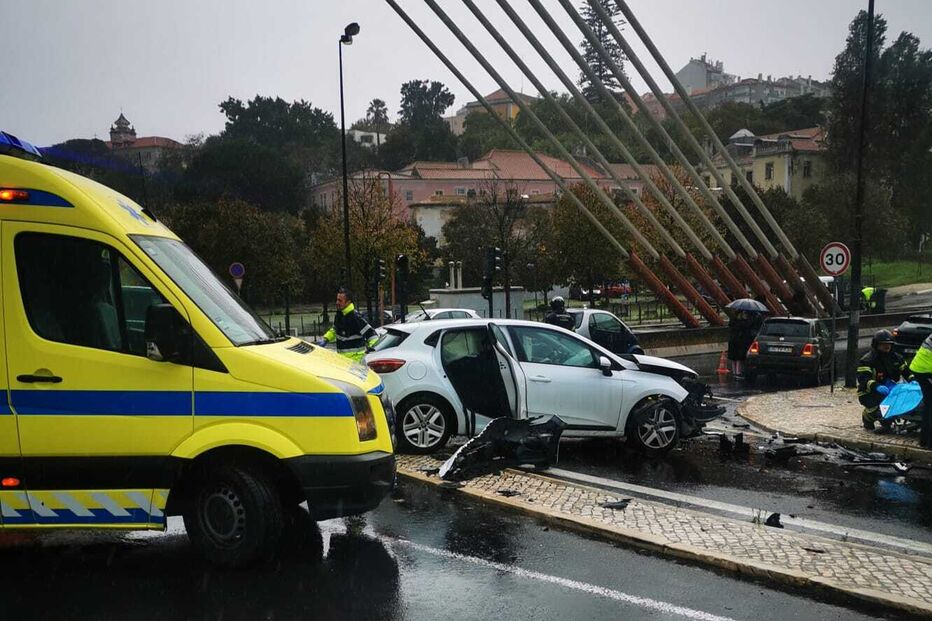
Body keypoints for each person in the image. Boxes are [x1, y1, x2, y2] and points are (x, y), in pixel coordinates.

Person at [857, 329, 913, 430]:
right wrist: (877, 386)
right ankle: (867, 416)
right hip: (869, 392)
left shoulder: (896, 358)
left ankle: (887, 420)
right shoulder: (867, 360)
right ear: (876, 345)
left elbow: (906, 372)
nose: (887, 346)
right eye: (883, 344)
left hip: (890, 388)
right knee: (879, 412)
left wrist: (914, 381)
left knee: (894, 411)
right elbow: (863, 378)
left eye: (889, 344)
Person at [317, 288, 378, 362]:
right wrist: (326, 339)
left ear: (348, 302)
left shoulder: (355, 317)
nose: (337, 302)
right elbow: (335, 330)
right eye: (337, 300)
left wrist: (371, 350)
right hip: (343, 360)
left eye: (340, 300)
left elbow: (371, 334)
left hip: (356, 361)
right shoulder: (339, 315)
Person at [908, 333, 932, 448]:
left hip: (922, 367)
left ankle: (924, 440)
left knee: (929, 404)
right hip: (927, 369)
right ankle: (929, 442)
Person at [727, 310, 759, 378]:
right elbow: (746, 326)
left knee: (734, 358)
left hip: (732, 341)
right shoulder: (742, 322)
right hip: (739, 341)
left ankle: (735, 372)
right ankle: (738, 372)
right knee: (738, 357)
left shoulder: (732, 321)